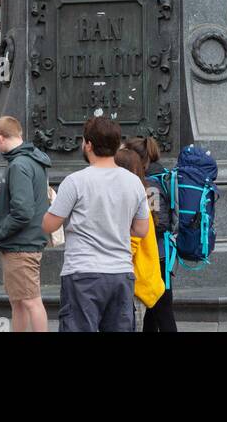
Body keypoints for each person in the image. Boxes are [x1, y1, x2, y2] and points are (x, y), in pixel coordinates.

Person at [43, 115, 149, 334]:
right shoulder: (134, 183)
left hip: (83, 273)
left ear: (88, 144)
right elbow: (141, 229)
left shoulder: (75, 182)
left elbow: (49, 225)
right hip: (121, 273)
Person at [0, 115, 50, 333]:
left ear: (0, 137)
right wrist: (2, 195)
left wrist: (0, 233)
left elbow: (23, 211)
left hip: (19, 245)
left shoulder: (18, 165)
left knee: (30, 301)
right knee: (20, 301)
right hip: (27, 241)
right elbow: (27, 201)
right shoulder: (32, 160)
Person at [123, 135, 179, 333]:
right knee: (152, 317)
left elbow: (158, 223)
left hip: (157, 257)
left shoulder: (150, 185)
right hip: (157, 255)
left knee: (163, 313)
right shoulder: (156, 177)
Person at [114, 145, 164, 330]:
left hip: (134, 281)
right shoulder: (145, 191)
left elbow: (132, 241)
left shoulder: (133, 197)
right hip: (143, 278)